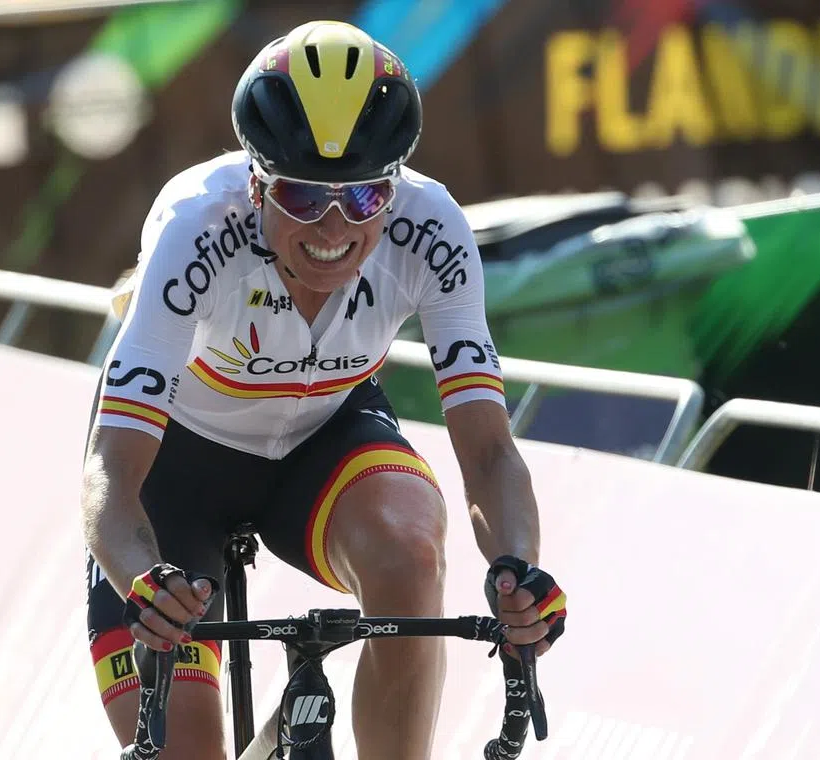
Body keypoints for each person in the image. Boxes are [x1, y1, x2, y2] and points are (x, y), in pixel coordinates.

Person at [81, 19, 567, 760]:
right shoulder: (194, 229)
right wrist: (141, 579)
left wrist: (520, 570)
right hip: (171, 472)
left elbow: (491, 452)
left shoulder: (432, 228)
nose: (335, 227)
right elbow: (112, 472)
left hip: (323, 443)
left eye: (366, 200)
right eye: (304, 200)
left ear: (394, 187)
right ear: (255, 182)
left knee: (410, 551)